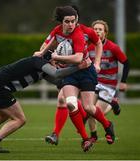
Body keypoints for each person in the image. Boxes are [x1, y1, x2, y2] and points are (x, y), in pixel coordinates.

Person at [0, 54, 88, 153]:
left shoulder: (42, 69)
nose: (60, 65)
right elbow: (57, 74)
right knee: (20, 119)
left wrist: (81, 83)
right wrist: (78, 67)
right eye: (57, 61)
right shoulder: (38, 62)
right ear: (50, 59)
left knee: (3, 115)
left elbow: (59, 82)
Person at [34, 5, 95, 152]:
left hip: (83, 71)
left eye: (73, 20)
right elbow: (47, 45)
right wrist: (43, 54)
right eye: (67, 21)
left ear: (77, 19)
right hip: (66, 72)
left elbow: (88, 50)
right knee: (68, 102)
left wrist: (97, 62)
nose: (70, 24)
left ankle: (100, 127)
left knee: (79, 105)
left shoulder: (82, 33)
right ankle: (81, 135)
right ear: (61, 21)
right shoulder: (57, 31)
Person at [87, 20, 129, 142]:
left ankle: (111, 108)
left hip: (108, 85)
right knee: (89, 110)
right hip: (93, 83)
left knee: (97, 112)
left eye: (100, 29)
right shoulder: (88, 46)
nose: (97, 31)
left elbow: (126, 63)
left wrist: (123, 81)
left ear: (105, 33)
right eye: (95, 29)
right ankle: (93, 136)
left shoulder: (113, 47)